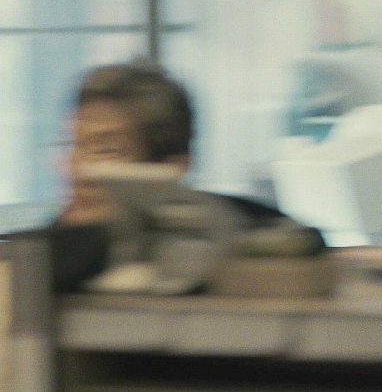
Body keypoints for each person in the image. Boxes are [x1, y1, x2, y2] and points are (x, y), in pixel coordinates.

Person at [50, 61, 323, 292]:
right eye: (72, 145)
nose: (76, 170)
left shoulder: (219, 235)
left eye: (105, 150)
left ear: (171, 168)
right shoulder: (46, 258)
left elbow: (299, 239)